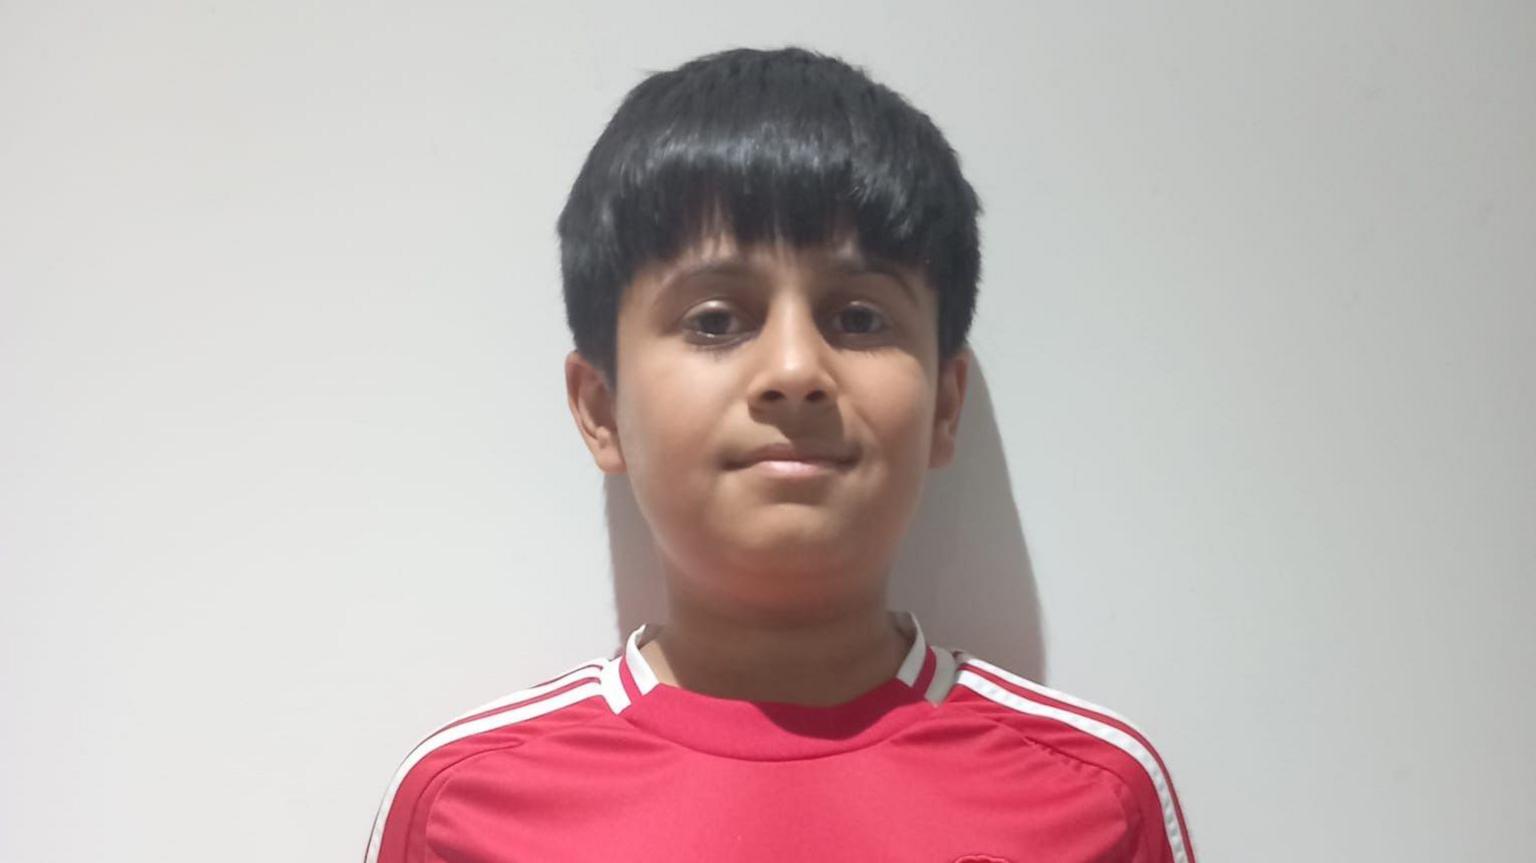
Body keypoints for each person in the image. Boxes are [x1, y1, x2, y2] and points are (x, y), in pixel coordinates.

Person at [363, 45, 1196, 862]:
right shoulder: (461, 806)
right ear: (601, 408)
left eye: (860, 318)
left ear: (946, 404)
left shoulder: (1095, 797)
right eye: (716, 320)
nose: (795, 371)